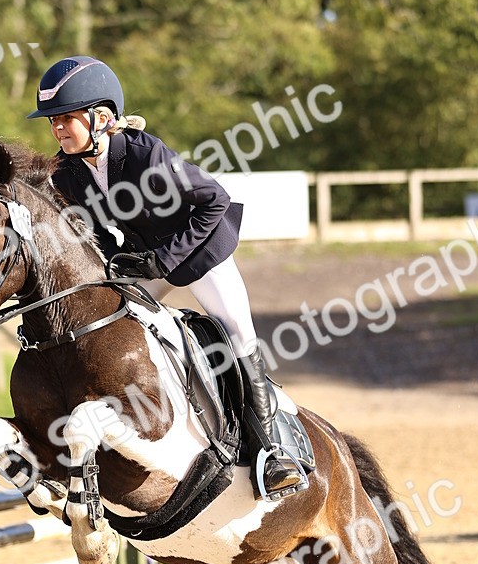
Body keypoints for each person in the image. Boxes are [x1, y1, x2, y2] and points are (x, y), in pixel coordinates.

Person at [27, 54, 303, 498]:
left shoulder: (143, 153)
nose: (57, 129)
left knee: (237, 333)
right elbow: (96, 233)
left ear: (101, 118)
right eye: (53, 121)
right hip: (148, 261)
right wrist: (117, 266)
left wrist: (164, 257)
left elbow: (215, 199)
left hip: (199, 253)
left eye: (65, 119)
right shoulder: (69, 171)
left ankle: (273, 451)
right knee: (114, 322)